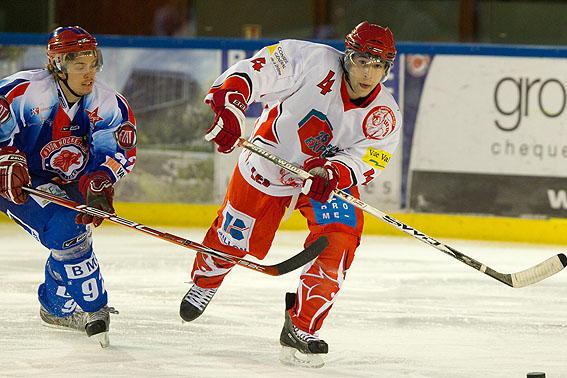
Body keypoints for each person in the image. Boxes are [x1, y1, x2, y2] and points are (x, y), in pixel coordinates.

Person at [179, 20, 401, 365]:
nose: (368, 73)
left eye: (377, 65)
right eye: (361, 60)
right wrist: (231, 107)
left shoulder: (385, 114)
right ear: (347, 56)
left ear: (387, 68)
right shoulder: (309, 59)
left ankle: (302, 324)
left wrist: (336, 172)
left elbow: (372, 156)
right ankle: (207, 280)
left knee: (340, 239)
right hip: (269, 163)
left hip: (322, 183)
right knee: (232, 239)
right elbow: (255, 72)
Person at [0, 26, 137, 347]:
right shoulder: (22, 92)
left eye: (93, 63)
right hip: (21, 184)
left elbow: (117, 150)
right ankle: (94, 305)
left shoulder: (107, 104)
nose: (89, 73)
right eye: (80, 65)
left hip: (68, 182)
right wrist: (4, 159)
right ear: (58, 65)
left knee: (71, 238)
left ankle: (57, 308)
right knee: (68, 234)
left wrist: (101, 181)